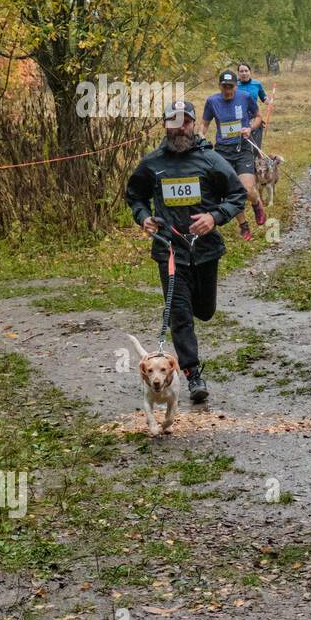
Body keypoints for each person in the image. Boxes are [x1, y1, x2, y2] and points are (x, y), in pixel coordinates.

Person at [125, 100, 247, 404]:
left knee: (204, 311)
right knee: (180, 316)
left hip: (205, 251)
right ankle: (193, 375)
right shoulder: (152, 163)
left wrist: (214, 217)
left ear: (193, 125)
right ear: (165, 125)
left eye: (186, 121)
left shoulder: (211, 160)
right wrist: (144, 218)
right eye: (173, 121)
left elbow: (237, 195)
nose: (180, 127)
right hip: (169, 252)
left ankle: (190, 312)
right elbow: (135, 196)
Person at [199, 70, 264, 240]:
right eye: (224, 87)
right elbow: (204, 124)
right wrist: (201, 137)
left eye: (230, 87)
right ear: (219, 86)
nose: (227, 90)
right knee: (231, 191)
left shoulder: (244, 97)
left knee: (247, 189)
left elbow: (258, 117)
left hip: (242, 148)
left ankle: (257, 203)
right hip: (222, 151)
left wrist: (250, 128)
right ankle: (243, 225)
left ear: (235, 86)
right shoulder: (212, 101)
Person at [236, 62, 270, 151]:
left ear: (250, 72)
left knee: (256, 145)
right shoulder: (234, 85)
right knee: (242, 144)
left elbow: (263, 97)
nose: (244, 73)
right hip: (239, 117)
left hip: (255, 117)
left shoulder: (257, 84)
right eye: (241, 71)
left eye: (246, 71)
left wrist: (267, 99)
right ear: (238, 73)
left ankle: (256, 161)